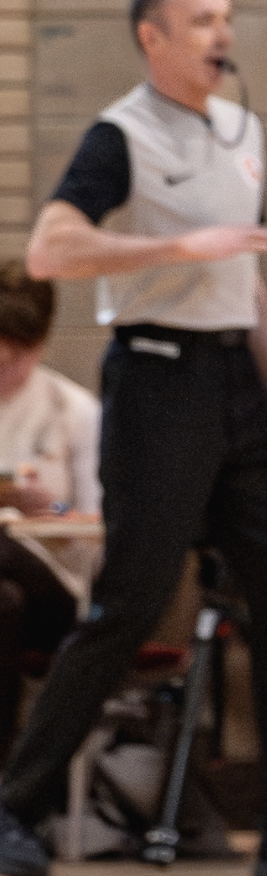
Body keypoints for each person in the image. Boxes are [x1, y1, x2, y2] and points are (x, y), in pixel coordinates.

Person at [0, 0, 267, 876]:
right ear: (152, 37)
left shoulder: (243, 129)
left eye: (225, 18)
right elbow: (50, 245)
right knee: (131, 604)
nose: (219, 36)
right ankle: (13, 806)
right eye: (199, 22)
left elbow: (248, 281)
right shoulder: (123, 134)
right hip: (157, 379)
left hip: (237, 379)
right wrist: (172, 246)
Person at [0, 262, 100, 760]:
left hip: (58, 587)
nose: (3, 362)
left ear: (41, 344)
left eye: (16, 354)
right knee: (3, 601)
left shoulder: (74, 411)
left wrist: (54, 513)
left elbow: (100, 528)